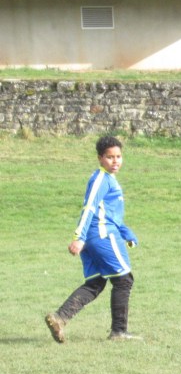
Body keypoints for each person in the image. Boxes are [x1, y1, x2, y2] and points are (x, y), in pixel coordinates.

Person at [45, 136, 141, 343]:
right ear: (100, 158)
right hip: (101, 236)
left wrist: (126, 233)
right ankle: (119, 332)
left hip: (97, 236)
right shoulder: (101, 179)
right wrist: (78, 238)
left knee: (96, 282)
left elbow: (111, 215)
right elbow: (89, 208)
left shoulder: (109, 179)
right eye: (110, 157)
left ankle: (60, 318)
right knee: (124, 280)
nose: (115, 161)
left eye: (118, 156)